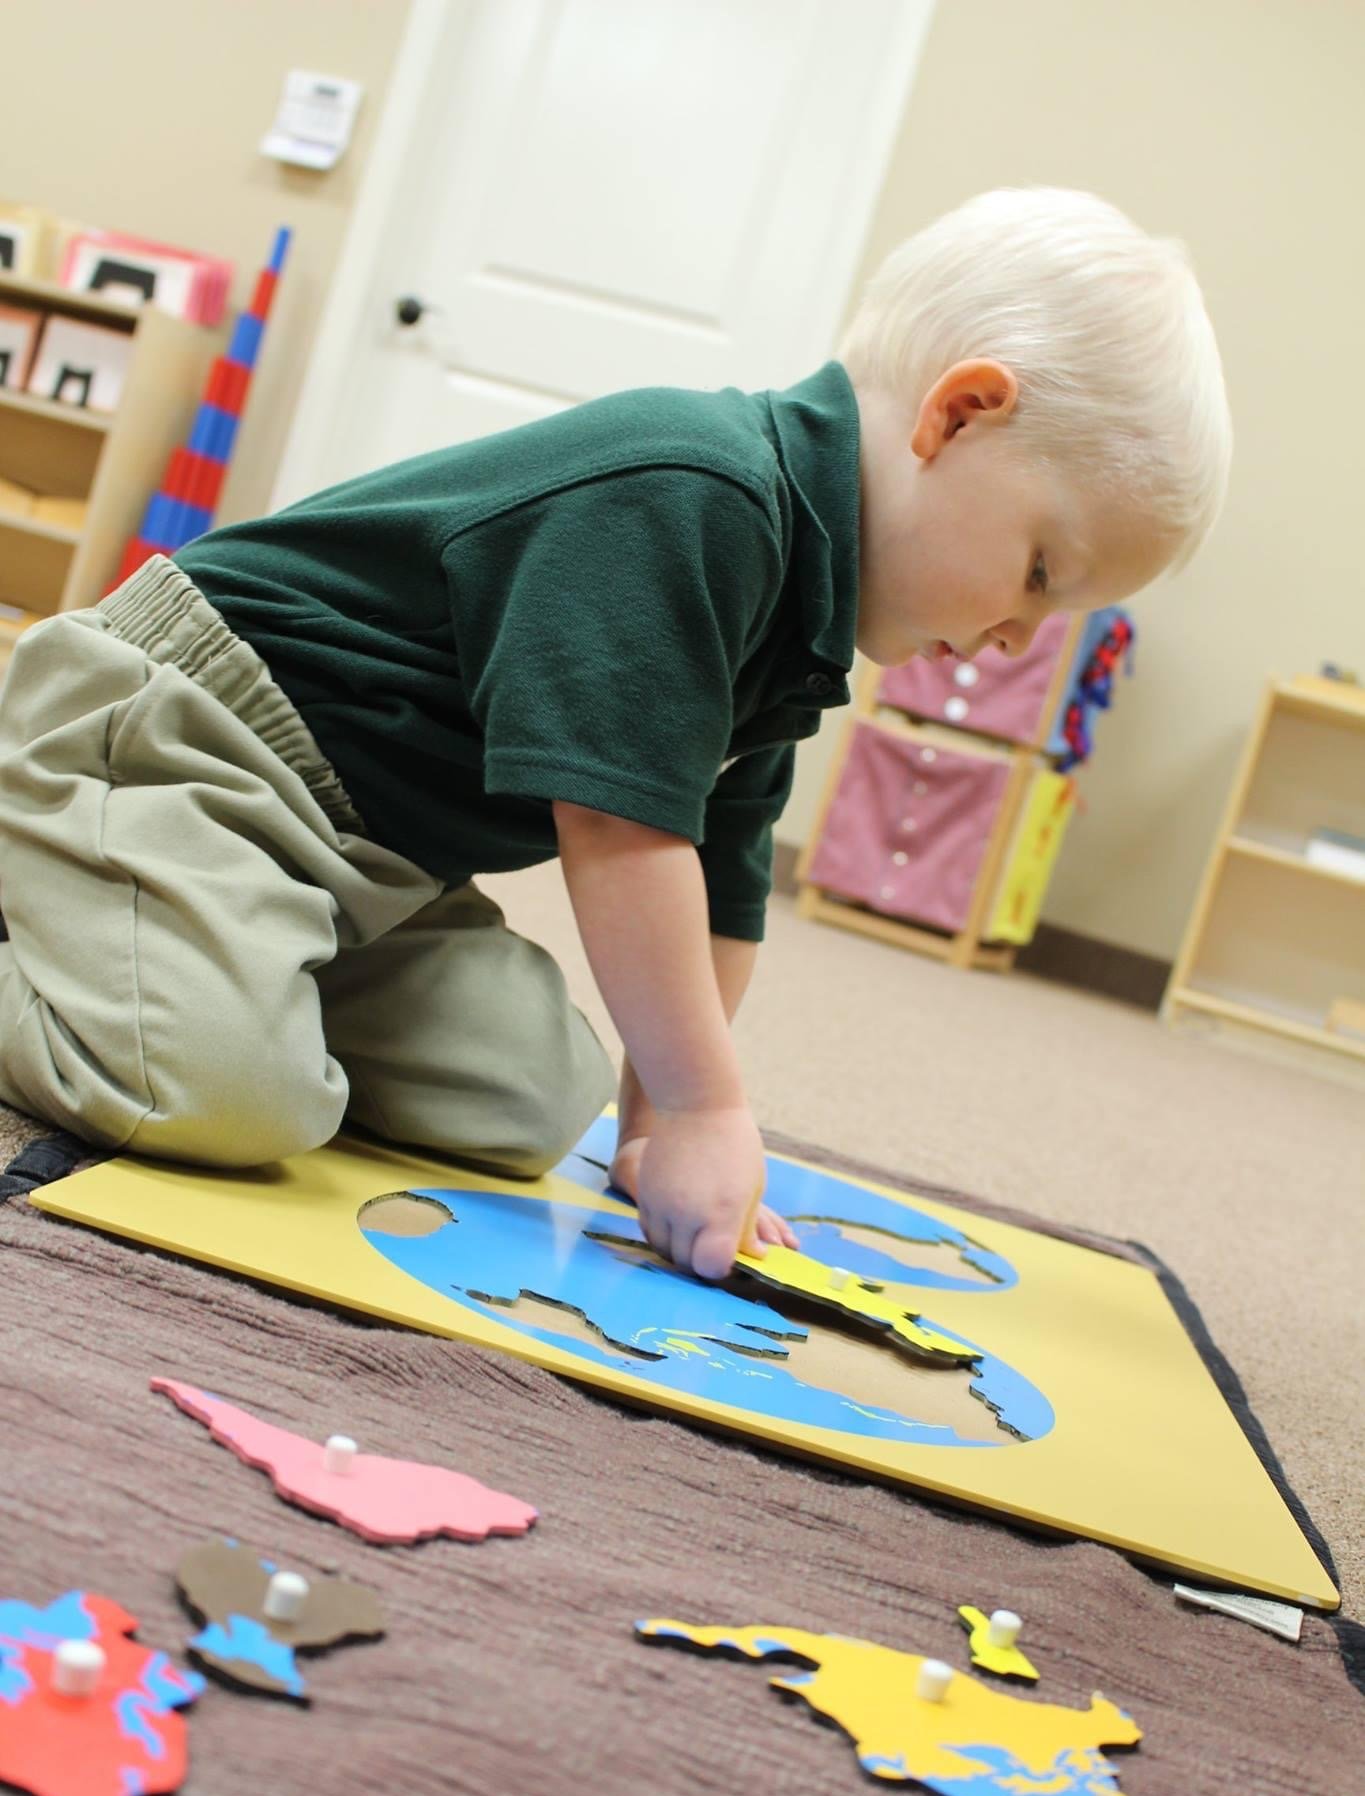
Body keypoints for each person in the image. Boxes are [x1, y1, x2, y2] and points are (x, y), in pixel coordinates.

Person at [0, 188, 1230, 1278]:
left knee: (538, 1097)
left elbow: (723, 892)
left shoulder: (801, 619)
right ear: (957, 416)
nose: (1019, 637)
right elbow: (619, 829)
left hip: (365, 865)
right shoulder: (698, 496)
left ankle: (181, 955)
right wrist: (703, 1105)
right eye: (1039, 573)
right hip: (184, 736)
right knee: (224, 1095)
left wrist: (653, 1118)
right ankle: (92, 914)